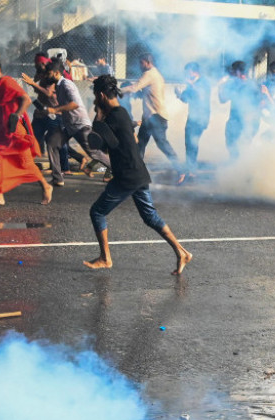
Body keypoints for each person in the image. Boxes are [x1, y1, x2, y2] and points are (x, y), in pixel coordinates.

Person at [84, 75, 192, 274]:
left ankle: (105, 258)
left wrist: (98, 116)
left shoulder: (113, 116)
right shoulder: (121, 113)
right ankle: (182, 252)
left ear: (100, 95)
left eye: (96, 97)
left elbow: (98, 142)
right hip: (137, 172)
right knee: (150, 216)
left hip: (127, 176)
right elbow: (109, 144)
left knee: (97, 212)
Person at [0, 58, 52, 206]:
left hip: (14, 130)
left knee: (25, 163)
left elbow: (26, 99)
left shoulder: (7, 82)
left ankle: (46, 186)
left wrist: (16, 115)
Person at [43, 60, 111, 185]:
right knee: (52, 143)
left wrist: (56, 109)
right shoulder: (58, 86)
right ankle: (58, 178)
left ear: (56, 72)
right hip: (69, 125)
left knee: (94, 153)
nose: (46, 76)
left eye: (48, 73)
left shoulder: (67, 84)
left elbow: (74, 104)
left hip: (79, 125)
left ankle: (118, 170)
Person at [121, 54, 179, 171]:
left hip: (156, 116)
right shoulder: (155, 74)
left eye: (141, 63)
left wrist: (116, 91)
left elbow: (134, 88)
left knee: (161, 143)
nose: (140, 66)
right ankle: (135, 170)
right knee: (141, 144)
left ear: (147, 62)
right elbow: (146, 92)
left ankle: (180, 169)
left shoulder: (150, 74)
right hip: (150, 117)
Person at [174, 62, 210, 184]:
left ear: (193, 71)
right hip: (193, 117)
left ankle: (191, 171)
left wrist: (191, 84)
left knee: (192, 143)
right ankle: (191, 170)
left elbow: (201, 97)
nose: (186, 74)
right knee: (189, 143)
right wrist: (179, 94)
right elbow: (185, 99)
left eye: (187, 71)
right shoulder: (192, 83)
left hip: (200, 118)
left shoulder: (203, 82)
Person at [218, 60, 262, 160]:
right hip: (235, 120)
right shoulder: (234, 85)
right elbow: (222, 99)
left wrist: (250, 117)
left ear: (238, 72)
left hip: (248, 122)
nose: (231, 74)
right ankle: (236, 167)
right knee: (231, 143)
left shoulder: (252, 85)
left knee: (243, 147)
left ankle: (243, 169)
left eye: (233, 71)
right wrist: (221, 86)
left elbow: (261, 103)